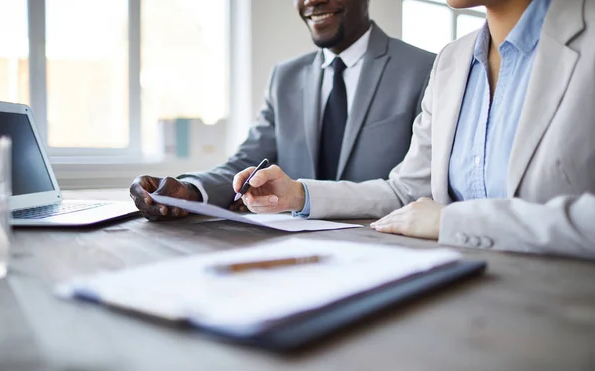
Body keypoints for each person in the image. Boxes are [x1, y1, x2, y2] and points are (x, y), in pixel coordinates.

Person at [233, 0, 595, 260]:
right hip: (461, 298)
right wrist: (297, 195)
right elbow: (407, 192)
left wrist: (454, 220)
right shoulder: (452, 60)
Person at [130, 0, 435, 220]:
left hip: (383, 245)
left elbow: (418, 187)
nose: (312, 2)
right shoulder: (285, 77)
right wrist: (190, 191)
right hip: (293, 251)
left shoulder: (426, 68)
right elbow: (248, 161)